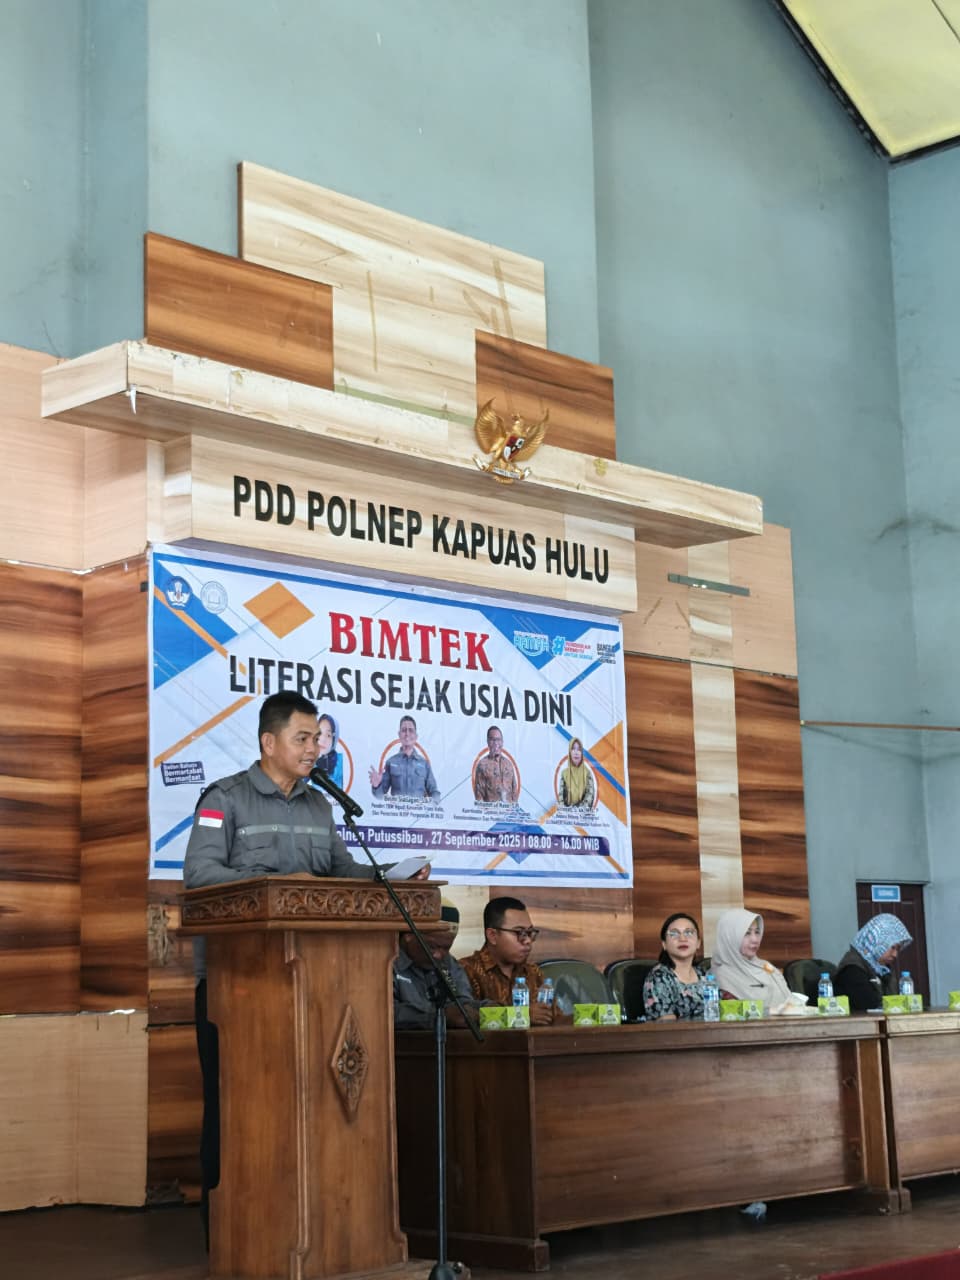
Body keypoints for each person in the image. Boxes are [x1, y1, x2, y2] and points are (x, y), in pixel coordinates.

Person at [184, 691, 429, 1244]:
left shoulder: (321, 806)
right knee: (235, 1109)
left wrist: (392, 873)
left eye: (317, 738)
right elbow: (199, 876)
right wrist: (276, 884)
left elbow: (342, 872)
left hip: (318, 989)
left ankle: (308, 1225)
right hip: (237, 987)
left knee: (310, 1105)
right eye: (302, 738)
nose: (314, 748)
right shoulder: (224, 799)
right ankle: (227, 1232)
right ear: (268, 743)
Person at [461, 896, 555, 1024]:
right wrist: (522, 1015)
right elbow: (462, 1018)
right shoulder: (467, 970)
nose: (528, 940)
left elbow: (555, 1018)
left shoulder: (533, 972)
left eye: (530, 932)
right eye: (519, 932)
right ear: (492, 936)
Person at [393, 902, 482, 1030]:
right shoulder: (385, 963)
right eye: (432, 947)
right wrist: (439, 1017)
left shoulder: (448, 962)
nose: (438, 955)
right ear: (409, 935)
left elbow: (462, 1001)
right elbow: (386, 1013)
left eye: (446, 948)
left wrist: (483, 1008)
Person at [711, 907, 792, 1010]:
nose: (755, 940)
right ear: (729, 937)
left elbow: (790, 999)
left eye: (757, 932)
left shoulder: (765, 965)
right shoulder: (720, 976)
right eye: (747, 933)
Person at [833, 914, 913, 1012]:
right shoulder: (852, 969)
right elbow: (871, 1005)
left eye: (898, 949)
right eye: (892, 947)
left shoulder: (883, 970)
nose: (895, 954)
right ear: (875, 942)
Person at [642, 913, 707, 1020]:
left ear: (698, 943)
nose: (682, 938)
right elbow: (667, 1026)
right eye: (674, 933)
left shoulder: (703, 974)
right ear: (664, 944)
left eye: (689, 932)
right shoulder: (659, 977)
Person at [368, 715, 440, 799]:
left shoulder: (424, 764)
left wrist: (434, 803)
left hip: (419, 808)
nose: (407, 734)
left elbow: (434, 792)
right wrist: (376, 786)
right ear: (399, 735)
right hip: (396, 808)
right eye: (404, 730)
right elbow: (379, 796)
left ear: (416, 736)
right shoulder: (391, 762)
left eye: (411, 730)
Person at [473, 725, 519, 804]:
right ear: (488, 742)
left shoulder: (508, 764)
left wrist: (514, 807)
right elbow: (479, 797)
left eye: (498, 739)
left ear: (502, 742)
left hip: (509, 810)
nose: (496, 743)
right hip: (491, 810)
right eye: (492, 740)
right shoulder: (482, 765)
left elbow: (514, 790)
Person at [558, 737, 595, 809]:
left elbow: (590, 794)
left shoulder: (587, 773)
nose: (576, 752)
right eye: (573, 749)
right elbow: (561, 797)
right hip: (567, 813)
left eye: (579, 749)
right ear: (570, 752)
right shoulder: (564, 773)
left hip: (583, 813)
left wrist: (579, 810)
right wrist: (565, 810)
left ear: (582, 753)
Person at [313, 712, 343, 787]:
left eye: (328, 735)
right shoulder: (309, 760)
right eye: (320, 733)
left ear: (334, 739)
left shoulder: (341, 762)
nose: (322, 739)